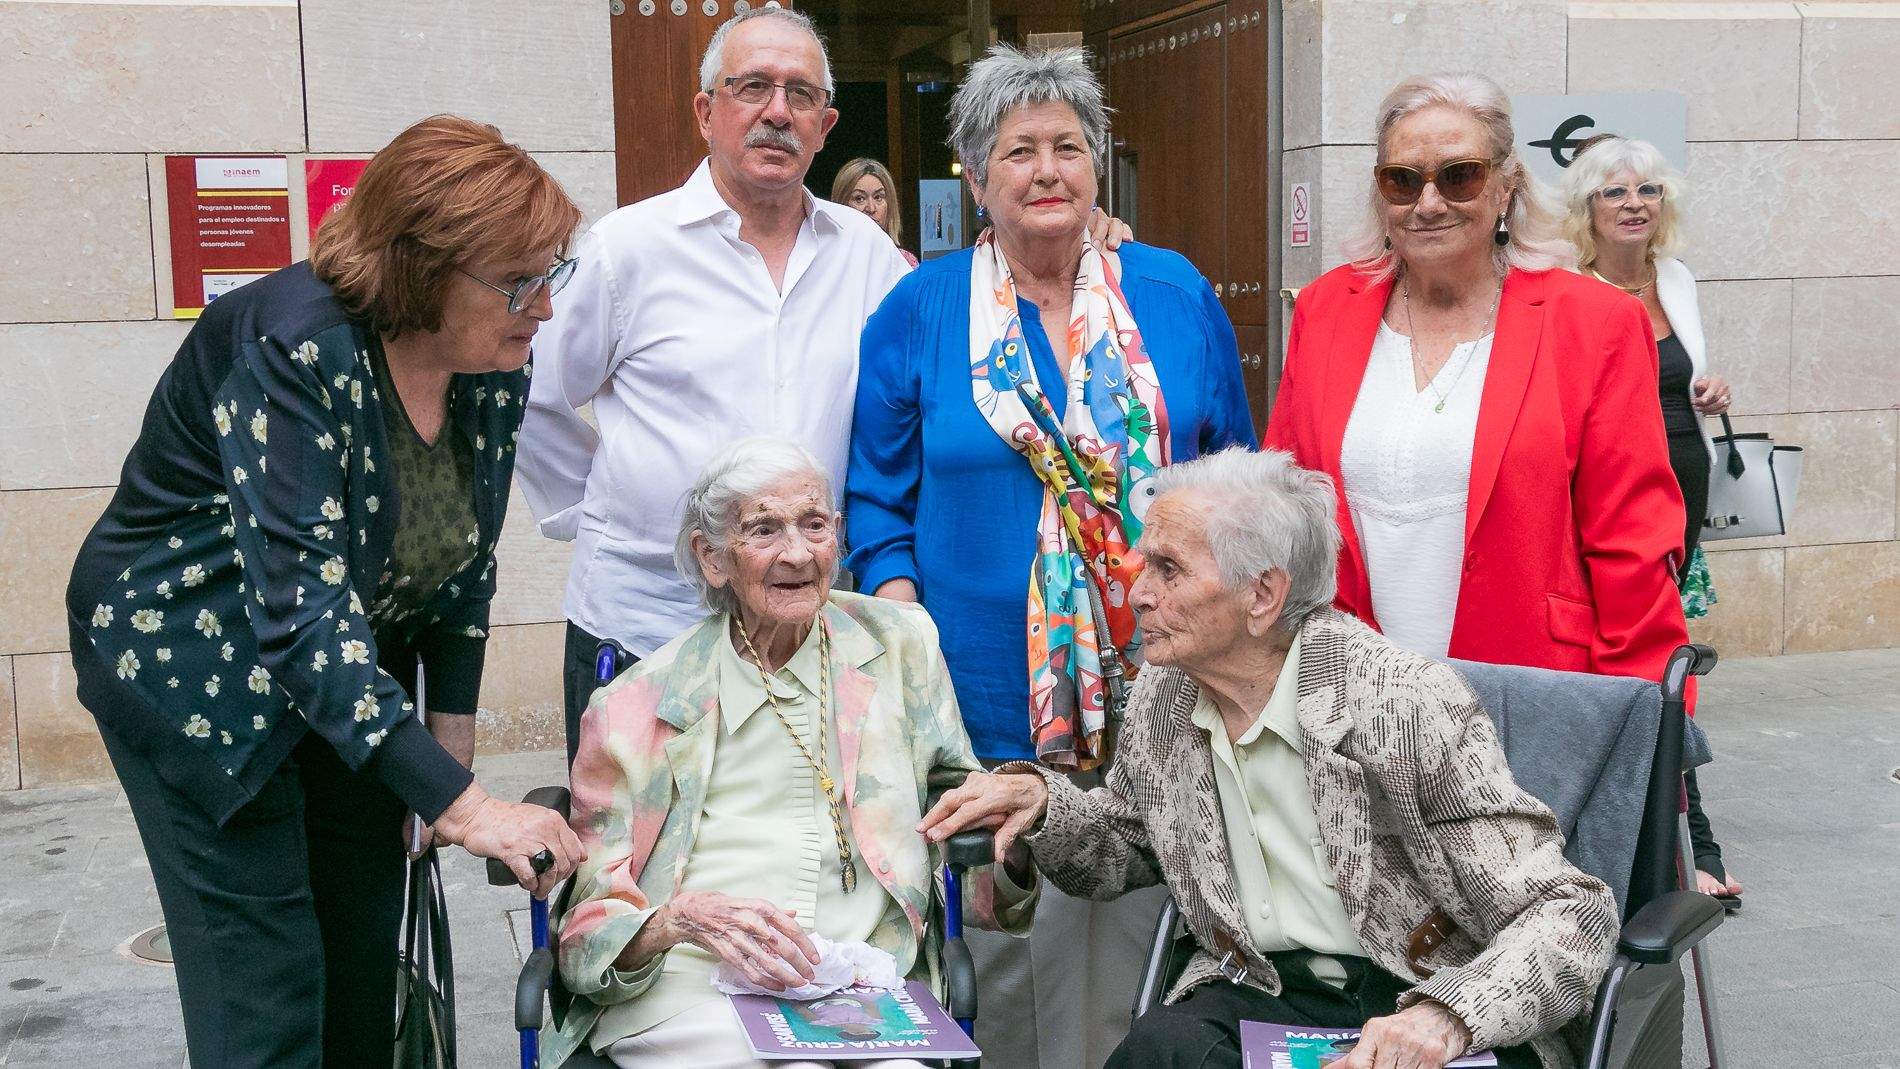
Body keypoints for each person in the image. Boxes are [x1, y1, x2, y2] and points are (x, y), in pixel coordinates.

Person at [63, 115, 586, 1067]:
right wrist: (471, 809)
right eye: (520, 279)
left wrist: (447, 745)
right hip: (193, 667)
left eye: (553, 271)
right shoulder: (296, 343)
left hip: (349, 663)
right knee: (268, 987)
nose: (544, 305)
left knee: (360, 953)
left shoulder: (494, 362)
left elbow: (463, 560)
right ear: (425, 269)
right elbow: (300, 619)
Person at [518, 9, 1130, 757]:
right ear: (706, 111)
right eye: (753, 88)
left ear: (825, 124)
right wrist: (615, 509)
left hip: (807, 635)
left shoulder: (865, 254)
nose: (777, 111)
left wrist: (1083, 232)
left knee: (797, 857)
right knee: (642, 857)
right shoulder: (626, 249)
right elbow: (532, 392)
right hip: (650, 623)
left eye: (800, 95)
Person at [919, 448, 1619, 1069]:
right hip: (1262, 986)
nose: (1137, 591)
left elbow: (1572, 913)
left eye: (1167, 568)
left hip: (1420, 989)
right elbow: (1130, 840)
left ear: (1263, 594)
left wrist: (1447, 1016)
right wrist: (1045, 803)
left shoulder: (1396, 702)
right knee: (1156, 1052)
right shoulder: (1165, 693)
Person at [844, 43, 1255, 1069]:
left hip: (1162, 687)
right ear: (975, 179)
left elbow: (1234, 477)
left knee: (1139, 947)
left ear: (1096, 165)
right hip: (977, 697)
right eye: (1016, 150)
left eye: (1068, 146)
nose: (1046, 170)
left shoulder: (1169, 293)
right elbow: (875, 498)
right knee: (1004, 963)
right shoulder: (920, 309)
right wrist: (913, 639)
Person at [545, 437, 1034, 1069]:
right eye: (764, 530)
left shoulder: (900, 647)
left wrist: (1008, 839)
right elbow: (588, 930)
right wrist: (675, 921)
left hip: (861, 977)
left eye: (814, 525)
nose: (797, 553)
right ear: (711, 557)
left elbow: (965, 822)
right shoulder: (637, 706)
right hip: (694, 986)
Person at [1262, 73, 1691, 690]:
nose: (1428, 203)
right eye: (1402, 180)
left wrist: (1645, 716)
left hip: (1530, 688)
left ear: (1506, 186)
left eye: (1458, 175)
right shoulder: (1328, 309)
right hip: (1349, 691)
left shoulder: (1593, 323)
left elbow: (1633, 543)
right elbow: (1289, 505)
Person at [1561, 134, 1742, 907]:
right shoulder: (1568, 290)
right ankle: (1687, 842)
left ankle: (1678, 836)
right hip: (1609, 505)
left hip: (1682, 492)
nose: (1634, 204)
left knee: (1666, 660)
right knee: (1650, 664)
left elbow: (1683, 374)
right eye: (1615, 192)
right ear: (1587, 211)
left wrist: (1711, 389)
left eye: (1647, 191)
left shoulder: (1677, 279)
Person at [833, 157, 918, 266]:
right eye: (859, 198)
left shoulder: (904, 262)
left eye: (878, 197)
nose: (871, 208)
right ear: (841, 203)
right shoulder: (829, 260)